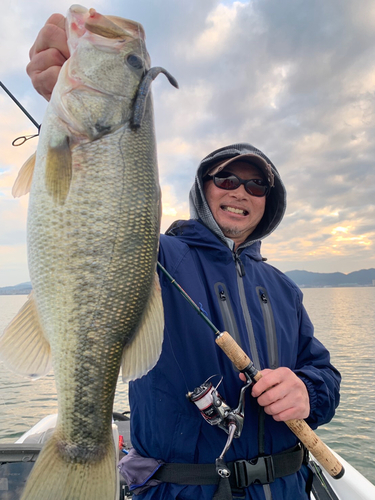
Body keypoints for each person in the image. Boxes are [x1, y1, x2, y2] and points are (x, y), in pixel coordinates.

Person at [27, 15, 341, 500]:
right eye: (227, 179)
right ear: (202, 189)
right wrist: (65, 96)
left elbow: (323, 372)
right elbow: (97, 218)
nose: (241, 191)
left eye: (257, 183)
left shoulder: (284, 287)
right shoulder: (157, 256)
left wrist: (308, 391)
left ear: (269, 201)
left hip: (288, 490)